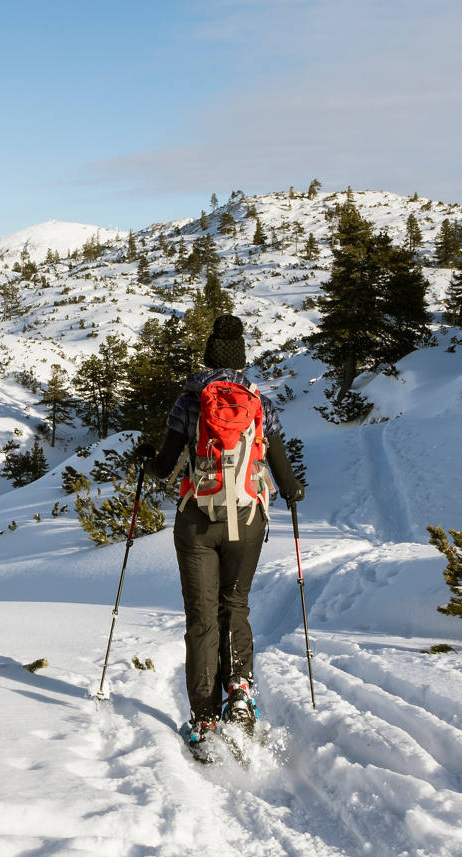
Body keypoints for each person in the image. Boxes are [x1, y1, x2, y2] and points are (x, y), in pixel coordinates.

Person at [134, 314, 304, 754]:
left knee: (202, 617)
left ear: (207, 356)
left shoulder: (190, 400)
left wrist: (147, 458)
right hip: (247, 519)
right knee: (236, 606)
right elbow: (282, 466)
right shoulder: (258, 402)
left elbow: (164, 465)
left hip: (197, 521)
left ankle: (205, 719)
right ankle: (242, 696)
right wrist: (292, 490)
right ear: (242, 360)